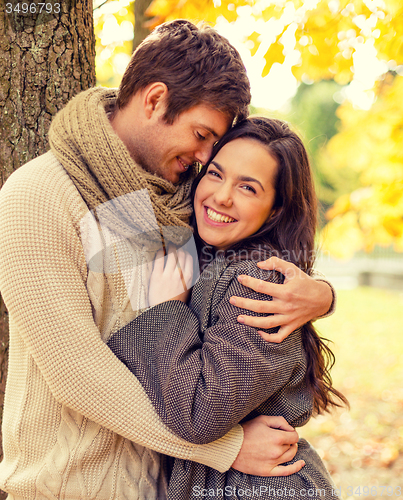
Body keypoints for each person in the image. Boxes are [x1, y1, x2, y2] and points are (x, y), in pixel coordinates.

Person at [0, 20, 334, 500]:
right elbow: (77, 373)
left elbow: (243, 273)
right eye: (202, 136)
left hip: (165, 488)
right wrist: (225, 448)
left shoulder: (177, 199)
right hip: (70, 487)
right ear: (155, 100)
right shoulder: (40, 195)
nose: (203, 160)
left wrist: (322, 296)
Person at [107, 117, 348, 499]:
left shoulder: (260, 281)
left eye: (248, 188)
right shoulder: (211, 256)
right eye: (216, 174)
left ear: (274, 210)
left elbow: (200, 415)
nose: (221, 196)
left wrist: (169, 310)